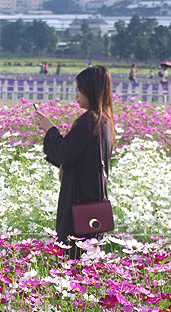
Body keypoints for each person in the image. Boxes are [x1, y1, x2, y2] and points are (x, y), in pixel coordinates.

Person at [35, 65, 114, 260]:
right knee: (89, 258)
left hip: (79, 201)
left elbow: (66, 153)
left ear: (90, 91)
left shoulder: (90, 121)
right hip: (93, 199)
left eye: (80, 89)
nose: (76, 94)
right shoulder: (105, 122)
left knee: (72, 254)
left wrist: (50, 129)